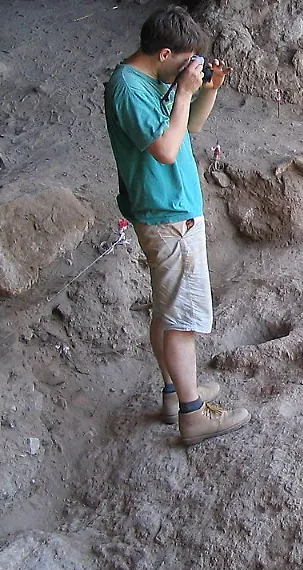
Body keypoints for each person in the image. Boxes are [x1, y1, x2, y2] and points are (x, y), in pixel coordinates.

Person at [104, 6, 250, 445]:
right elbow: (167, 151)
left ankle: (175, 393)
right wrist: (185, 91)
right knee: (181, 319)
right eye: (184, 59)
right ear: (164, 52)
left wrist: (207, 92)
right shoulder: (128, 89)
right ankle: (193, 414)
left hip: (173, 211)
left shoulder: (152, 81)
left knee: (169, 312)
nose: (188, 68)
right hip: (166, 216)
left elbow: (190, 128)